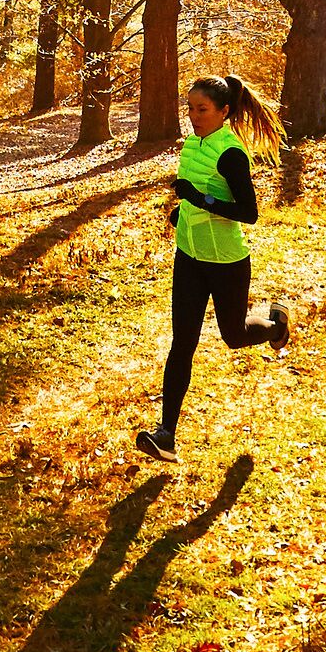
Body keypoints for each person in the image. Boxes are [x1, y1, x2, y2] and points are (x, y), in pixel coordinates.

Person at [135, 74, 290, 460]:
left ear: (224, 111)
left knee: (234, 336)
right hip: (189, 256)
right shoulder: (191, 144)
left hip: (225, 261)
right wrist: (180, 216)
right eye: (190, 108)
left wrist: (199, 200)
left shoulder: (231, 152)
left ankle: (276, 325)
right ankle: (166, 435)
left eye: (202, 109)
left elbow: (248, 213)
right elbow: (192, 194)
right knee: (181, 344)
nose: (193, 116)